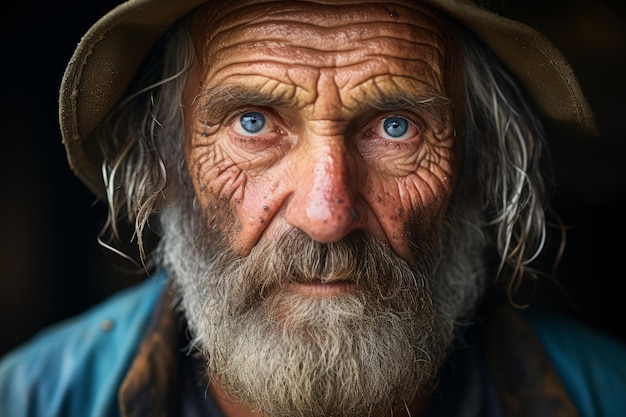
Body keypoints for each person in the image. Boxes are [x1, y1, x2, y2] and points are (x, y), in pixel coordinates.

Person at [0, 0, 624, 416]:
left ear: (480, 168)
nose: (327, 213)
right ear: (164, 161)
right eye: (253, 123)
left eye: (396, 128)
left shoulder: (605, 394)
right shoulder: (31, 399)